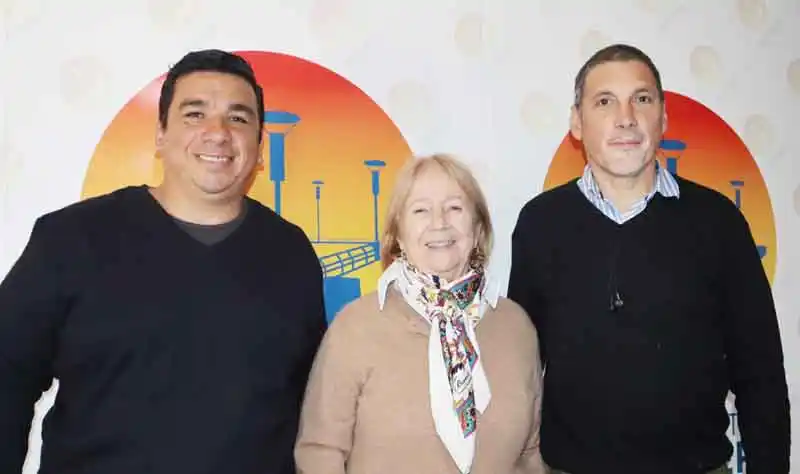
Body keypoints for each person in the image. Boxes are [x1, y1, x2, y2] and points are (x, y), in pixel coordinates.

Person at [0, 49, 327, 474]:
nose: (218, 133)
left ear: (258, 145)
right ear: (160, 135)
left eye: (239, 118)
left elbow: (317, 408)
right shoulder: (70, 240)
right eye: (195, 114)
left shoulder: (291, 254)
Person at [507, 43, 790, 474]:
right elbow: (521, 368)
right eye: (605, 102)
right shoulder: (541, 224)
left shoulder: (718, 223)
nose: (626, 117)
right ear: (576, 123)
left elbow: (761, 372)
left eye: (642, 99)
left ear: (663, 119)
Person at [294, 153, 545, 474]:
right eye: (421, 210)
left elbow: (528, 454)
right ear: (398, 234)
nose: (439, 222)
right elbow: (320, 452)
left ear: (478, 227)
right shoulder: (356, 327)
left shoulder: (516, 327)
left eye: (455, 208)